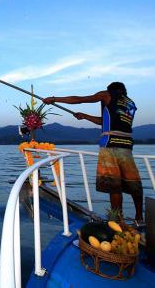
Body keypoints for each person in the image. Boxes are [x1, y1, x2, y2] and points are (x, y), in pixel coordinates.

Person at [43, 82, 143, 222]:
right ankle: (139, 218)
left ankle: (117, 221)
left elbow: (80, 99)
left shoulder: (107, 94)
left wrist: (54, 99)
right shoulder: (130, 103)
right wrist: (85, 116)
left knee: (114, 186)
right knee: (133, 182)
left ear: (111, 90)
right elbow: (105, 121)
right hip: (126, 146)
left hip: (110, 144)